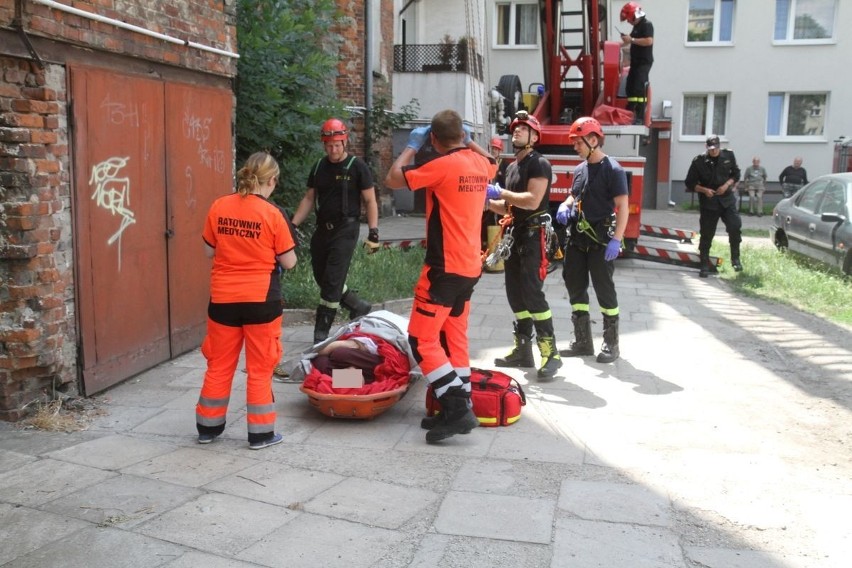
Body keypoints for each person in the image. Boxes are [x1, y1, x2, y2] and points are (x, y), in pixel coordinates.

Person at [384, 110, 496, 443]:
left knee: (421, 339)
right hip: (470, 267)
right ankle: (458, 407)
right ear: (463, 136)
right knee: (453, 337)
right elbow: (492, 161)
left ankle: (457, 408)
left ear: (433, 139)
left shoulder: (440, 166)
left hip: (443, 269)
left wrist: (411, 147)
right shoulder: (479, 165)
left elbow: (392, 178)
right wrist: (471, 142)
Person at [195, 152, 297, 450]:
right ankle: (261, 434)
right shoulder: (273, 214)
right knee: (260, 369)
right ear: (272, 181)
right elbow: (289, 262)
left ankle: (208, 428)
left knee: (219, 365)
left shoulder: (219, 206)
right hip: (261, 301)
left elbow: (208, 251)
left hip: (223, 300)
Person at [487, 111, 563, 379]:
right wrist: (483, 198)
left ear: (534, 136)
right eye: (515, 128)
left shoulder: (539, 163)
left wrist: (500, 192)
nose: (516, 131)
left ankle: (551, 352)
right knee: (514, 294)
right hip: (515, 234)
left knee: (532, 293)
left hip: (533, 235)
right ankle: (523, 350)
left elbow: (531, 200)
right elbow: (506, 205)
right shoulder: (511, 167)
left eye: (523, 128)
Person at [291, 118, 379, 344]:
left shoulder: (357, 167)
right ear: (324, 144)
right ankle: (358, 306)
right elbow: (309, 198)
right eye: (329, 146)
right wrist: (292, 225)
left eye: (337, 145)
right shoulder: (319, 167)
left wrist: (373, 232)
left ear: (345, 141)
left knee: (332, 280)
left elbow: (370, 201)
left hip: (346, 228)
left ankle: (321, 332)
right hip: (323, 230)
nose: (333, 150)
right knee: (322, 276)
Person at [555, 117, 629, 364]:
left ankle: (611, 343)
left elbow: (623, 207)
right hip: (577, 241)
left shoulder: (613, 170)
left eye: (578, 142)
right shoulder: (580, 169)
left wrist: (616, 240)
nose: (575, 147)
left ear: (593, 140)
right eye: (574, 142)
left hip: (600, 243)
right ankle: (583, 342)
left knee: (604, 291)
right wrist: (565, 205)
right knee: (575, 286)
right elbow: (573, 195)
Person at [684, 135, 742, 277]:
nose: (714, 151)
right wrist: (704, 190)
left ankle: (735, 258)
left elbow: (736, 174)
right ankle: (704, 263)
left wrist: (727, 185)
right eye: (711, 149)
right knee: (707, 233)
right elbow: (689, 183)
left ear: (719, 146)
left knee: (735, 226)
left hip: (726, 199)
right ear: (707, 147)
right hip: (709, 202)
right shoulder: (699, 161)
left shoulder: (728, 155)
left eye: (716, 148)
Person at [619, 2, 654, 125]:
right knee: (630, 86)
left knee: (639, 89)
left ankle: (639, 116)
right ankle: (630, 110)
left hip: (643, 63)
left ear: (634, 15)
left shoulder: (646, 25)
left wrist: (632, 39)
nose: (628, 22)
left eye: (628, 19)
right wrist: (619, 44)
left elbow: (649, 41)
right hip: (635, 63)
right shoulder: (636, 27)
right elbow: (630, 41)